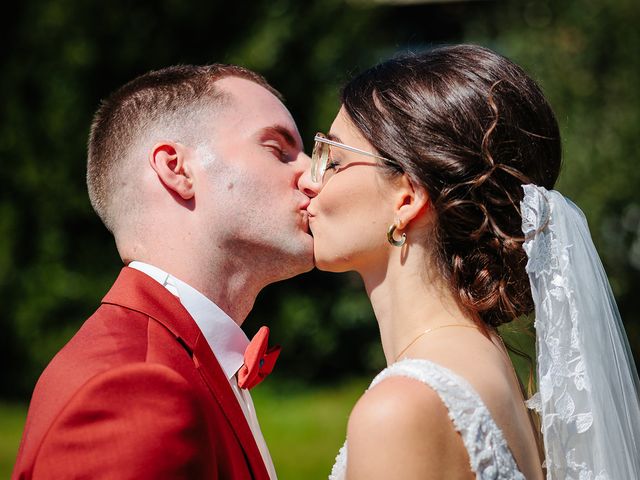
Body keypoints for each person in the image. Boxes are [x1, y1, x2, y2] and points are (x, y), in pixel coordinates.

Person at [302, 45, 640, 479]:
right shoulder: (492, 365)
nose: (310, 182)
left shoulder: (403, 408)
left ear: (406, 198)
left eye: (335, 160)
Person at [13, 64, 314, 479]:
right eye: (278, 151)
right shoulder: (133, 389)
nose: (314, 176)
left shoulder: (160, 358)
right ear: (177, 169)